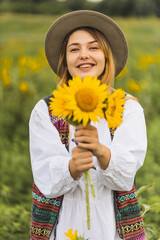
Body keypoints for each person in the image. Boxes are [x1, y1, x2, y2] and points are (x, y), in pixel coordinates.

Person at [29, 10, 147, 240]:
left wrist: (101, 152)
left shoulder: (127, 108)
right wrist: (71, 168)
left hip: (114, 229)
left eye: (94, 47)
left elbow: (125, 176)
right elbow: (45, 178)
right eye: (74, 49)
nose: (84, 55)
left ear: (107, 57)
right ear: (65, 59)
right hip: (64, 225)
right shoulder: (46, 111)